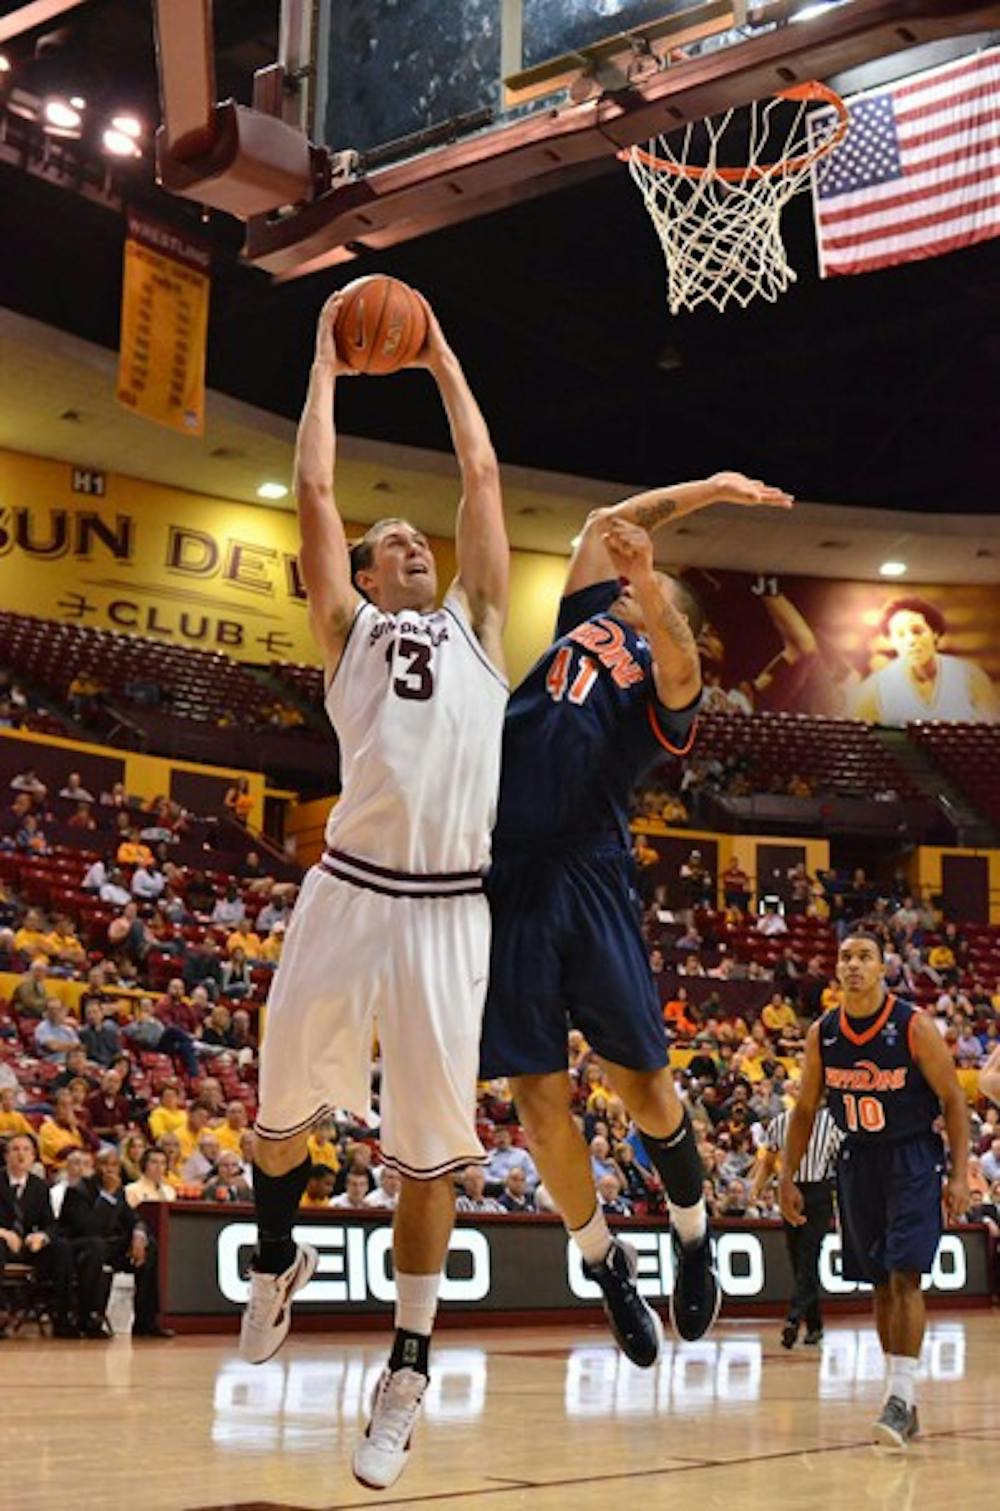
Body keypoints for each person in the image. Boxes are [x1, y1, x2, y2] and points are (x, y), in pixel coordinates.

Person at [238, 290, 508, 1494]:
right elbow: (311, 492)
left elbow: (485, 476)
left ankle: (405, 1369)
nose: (415, 546)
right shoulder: (344, 626)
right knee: (278, 1103)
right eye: (392, 540)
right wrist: (322, 366)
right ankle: (277, 1258)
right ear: (356, 572)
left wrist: (444, 356)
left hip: (450, 905)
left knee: (429, 1156)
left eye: (419, 542)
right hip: (345, 889)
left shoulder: (481, 625)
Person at [481, 470, 791, 1367]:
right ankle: (604, 1261)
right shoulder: (584, 618)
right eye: (622, 583)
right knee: (538, 1103)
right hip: (509, 874)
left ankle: (694, 1242)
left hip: (588, 873)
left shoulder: (666, 672)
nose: (622, 584)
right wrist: (709, 490)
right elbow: (604, 520)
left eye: (642, 591)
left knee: (646, 1091)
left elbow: (684, 668)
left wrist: (651, 587)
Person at [780, 929, 971, 1448]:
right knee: (881, 1283)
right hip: (857, 1160)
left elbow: (954, 1099)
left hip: (910, 1157)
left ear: (883, 968)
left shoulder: (912, 1025)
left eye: (865, 957)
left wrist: (958, 1174)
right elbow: (804, 1110)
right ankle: (900, 1396)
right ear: (837, 970)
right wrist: (788, 1175)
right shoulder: (824, 1032)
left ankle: (900, 1396)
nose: (854, 965)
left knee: (906, 1275)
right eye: (846, 958)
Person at [751, 1101, 842, 1348]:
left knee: (808, 1254)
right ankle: (814, 1325)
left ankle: (793, 1318)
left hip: (819, 1192)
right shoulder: (781, 1122)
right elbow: (769, 1160)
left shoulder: (832, 1122)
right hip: (790, 1190)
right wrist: (757, 1187)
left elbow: (840, 1163)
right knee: (798, 1259)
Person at [852, 596, 999, 726]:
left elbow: (992, 733)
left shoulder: (970, 677)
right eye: (900, 635)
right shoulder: (876, 687)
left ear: (934, 633)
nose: (911, 641)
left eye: (917, 631)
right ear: (892, 641)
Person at [0, 1132, 77, 1336]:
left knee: (62, 1248)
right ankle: (2, 1312)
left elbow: (51, 1224)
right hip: (3, 1244)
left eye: (26, 1150)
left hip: (27, 1245)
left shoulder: (39, 1186)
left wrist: (42, 1236)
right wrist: (4, 1233)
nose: (21, 1155)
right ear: (6, 1155)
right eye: (15, 1149)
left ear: (34, 1157)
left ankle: (62, 1316)